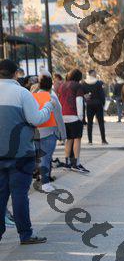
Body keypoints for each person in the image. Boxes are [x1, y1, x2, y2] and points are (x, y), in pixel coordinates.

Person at [0, 59, 52, 245]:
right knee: (20, 195)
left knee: (1, 196)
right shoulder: (22, 93)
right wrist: (48, 107)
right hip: (21, 154)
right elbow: (35, 119)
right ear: (16, 74)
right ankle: (25, 234)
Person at [33, 73, 67, 193]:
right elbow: (59, 117)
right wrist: (63, 134)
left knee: (38, 158)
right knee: (46, 159)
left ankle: (39, 178)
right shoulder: (52, 98)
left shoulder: (32, 97)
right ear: (50, 86)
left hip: (35, 132)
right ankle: (45, 184)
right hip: (49, 131)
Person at [57, 69, 89, 173]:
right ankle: (76, 163)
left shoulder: (62, 85)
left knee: (69, 139)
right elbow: (79, 101)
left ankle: (67, 163)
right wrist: (81, 117)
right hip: (74, 115)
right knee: (77, 139)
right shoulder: (78, 86)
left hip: (63, 115)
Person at [82, 70, 108, 145]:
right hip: (98, 104)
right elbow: (102, 95)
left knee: (89, 123)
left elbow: (83, 94)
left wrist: (85, 99)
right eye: (95, 73)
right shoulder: (98, 83)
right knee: (101, 123)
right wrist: (103, 104)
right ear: (92, 74)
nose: (96, 74)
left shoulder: (84, 83)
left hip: (89, 104)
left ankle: (90, 141)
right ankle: (103, 140)